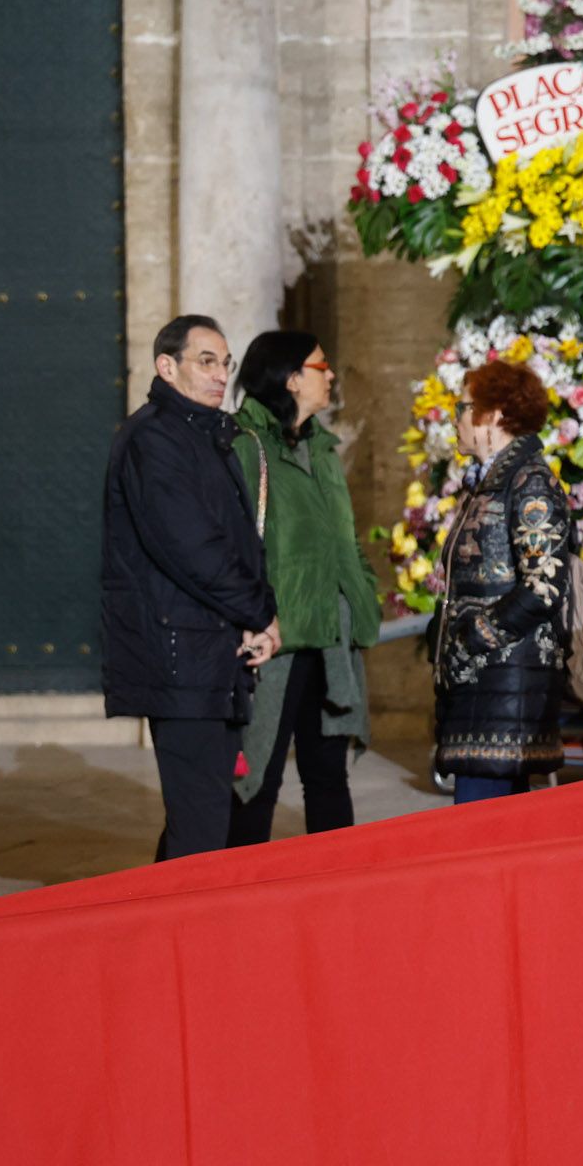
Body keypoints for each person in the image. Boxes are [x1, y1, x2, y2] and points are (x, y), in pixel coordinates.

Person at [101, 315, 280, 860]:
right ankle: (176, 939)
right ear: (166, 366)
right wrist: (262, 611)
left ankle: (167, 933)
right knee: (199, 825)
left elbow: (235, 544)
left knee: (204, 817)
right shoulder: (154, 439)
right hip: (180, 655)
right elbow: (192, 549)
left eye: (225, 363)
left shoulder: (204, 436)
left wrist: (252, 619)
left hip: (211, 653)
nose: (220, 374)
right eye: (206, 361)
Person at [225, 332, 380, 846]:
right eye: (322, 366)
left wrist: (363, 599)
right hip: (276, 640)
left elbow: (345, 540)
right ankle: (235, 901)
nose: (330, 375)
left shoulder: (322, 448)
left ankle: (333, 898)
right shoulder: (246, 447)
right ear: (291, 378)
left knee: (329, 777)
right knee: (255, 779)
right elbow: (232, 547)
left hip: (331, 635)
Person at [432, 359, 571, 803]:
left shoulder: (528, 482)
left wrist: (474, 636)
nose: (456, 418)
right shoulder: (495, 482)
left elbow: (544, 586)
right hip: (487, 687)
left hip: (505, 686)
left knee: (480, 831)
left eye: (463, 406)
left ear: (492, 415)